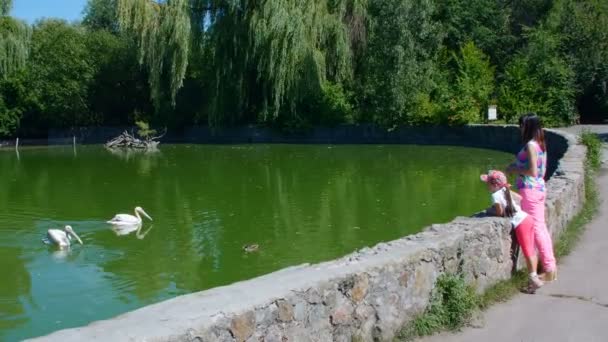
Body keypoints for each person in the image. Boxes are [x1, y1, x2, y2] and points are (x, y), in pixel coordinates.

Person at [506, 113, 557, 283]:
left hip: (530, 190)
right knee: (540, 228)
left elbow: (533, 172)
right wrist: (519, 166)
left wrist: (513, 169)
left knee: (537, 229)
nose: (520, 128)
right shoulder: (540, 144)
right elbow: (540, 172)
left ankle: (549, 269)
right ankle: (549, 267)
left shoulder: (530, 145)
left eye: (521, 125)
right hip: (539, 188)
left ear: (527, 126)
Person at [481, 170, 544, 291]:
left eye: (487, 183)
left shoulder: (495, 195)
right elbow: (519, 198)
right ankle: (533, 278)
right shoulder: (506, 189)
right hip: (527, 218)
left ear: (494, 185)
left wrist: (491, 210)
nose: (486, 185)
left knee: (528, 251)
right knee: (531, 250)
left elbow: (499, 213)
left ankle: (534, 279)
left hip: (521, 223)